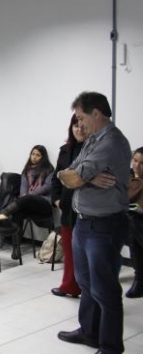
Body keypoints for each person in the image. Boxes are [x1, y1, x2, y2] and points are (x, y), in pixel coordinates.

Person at [56, 91, 131, 354]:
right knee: (86, 282)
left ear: (96, 113)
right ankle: (89, 331)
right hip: (83, 223)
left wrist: (81, 177)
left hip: (104, 226)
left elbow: (74, 178)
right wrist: (86, 177)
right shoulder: (92, 140)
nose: (79, 123)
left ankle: (111, 346)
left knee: (105, 289)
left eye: (81, 117)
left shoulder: (110, 142)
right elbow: (64, 174)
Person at [0, 145, 55, 259]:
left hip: (44, 203)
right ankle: (16, 249)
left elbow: (47, 187)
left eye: (38, 155)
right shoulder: (26, 171)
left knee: (26, 198)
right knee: (18, 213)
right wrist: (24, 196)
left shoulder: (49, 170)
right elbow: (23, 187)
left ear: (43, 157)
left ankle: (1, 215)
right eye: (33, 154)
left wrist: (28, 195)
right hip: (28, 203)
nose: (34, 157)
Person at [50, 114, 86, 298]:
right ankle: (69, 286)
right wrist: (56, 200)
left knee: (86, 254)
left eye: (83, 126)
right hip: (67, 208)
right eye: (75, 125)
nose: (79, 129)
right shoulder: (65, 150)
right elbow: (56, 178)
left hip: (86, 210)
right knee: (70, 251)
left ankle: (86, 289)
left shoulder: (93, 150)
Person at [125, 147, 143, 298]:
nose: (137, 165)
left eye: (142, 163)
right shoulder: (127, 175)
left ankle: (139, 279)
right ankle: (139, 278)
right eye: (135, 160)